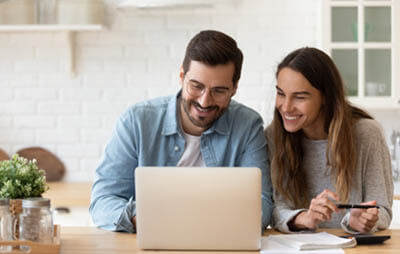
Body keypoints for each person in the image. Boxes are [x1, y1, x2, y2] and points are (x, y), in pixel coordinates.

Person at [90, 30, 273, 233]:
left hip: (218, 248)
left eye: (219, 91)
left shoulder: (247, 125)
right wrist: (141, 217)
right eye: (196, 86)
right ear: (181, 76)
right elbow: (102, 202)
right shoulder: (137, 121)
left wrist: (189, 220)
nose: (205, 101)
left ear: (235, 88)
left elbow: (262, 205)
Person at [265, 47, 393, 233]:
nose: (286, 107)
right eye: (281, 93)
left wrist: (360, 220)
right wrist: (304, 218)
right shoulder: (273, 136)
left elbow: (383, 209)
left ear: (326, 97)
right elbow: (275, 209)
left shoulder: (367, 134)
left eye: (300, 97)